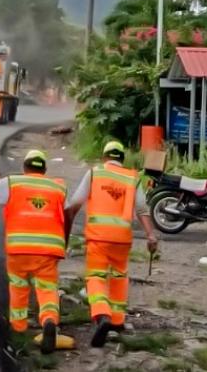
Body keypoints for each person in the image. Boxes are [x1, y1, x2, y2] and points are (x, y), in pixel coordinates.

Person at [64, 141, 159, 348]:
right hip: (122, 239)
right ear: (121, 160)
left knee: (96, 277)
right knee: (118, 276)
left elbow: (74, 205)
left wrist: (66, 233)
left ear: (104, 158)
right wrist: (151, 236)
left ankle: (101, 314)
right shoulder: (131, 178)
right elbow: (142, 210)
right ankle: (117, 320)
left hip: (98, 237)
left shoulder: (94, 173)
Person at [0, 150, 67, 354]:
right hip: (48, 250)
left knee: (19, 286)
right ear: (45, 169)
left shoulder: (13, 183)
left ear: (25, 167)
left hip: (19, 248)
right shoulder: (58, 186)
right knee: (47, 289)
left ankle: (18, 328)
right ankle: (49, 320)